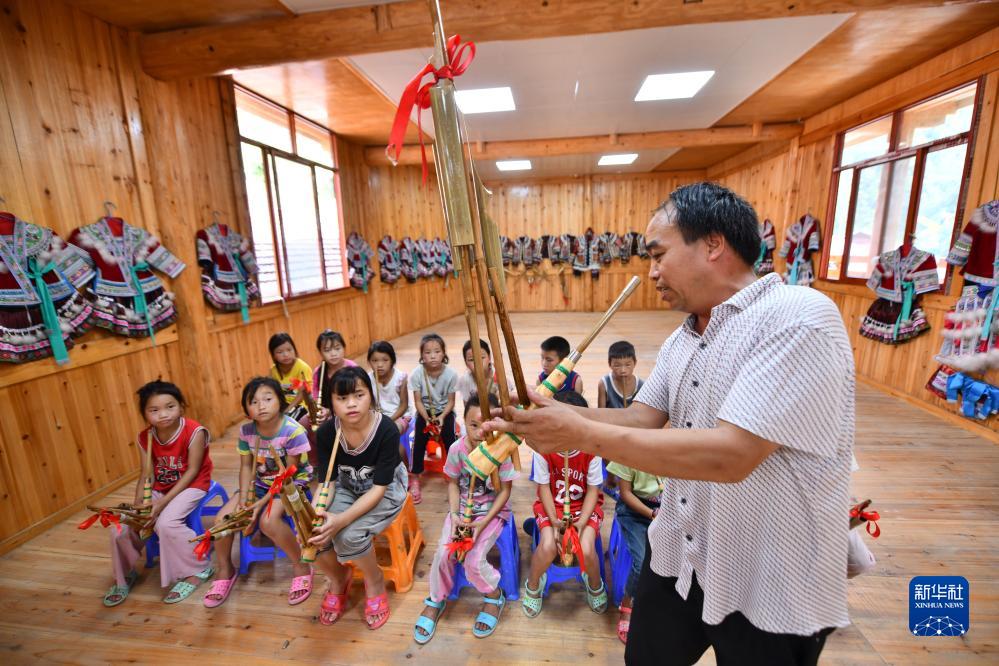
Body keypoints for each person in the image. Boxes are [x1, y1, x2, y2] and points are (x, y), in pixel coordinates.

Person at [481, 182, 854, 666]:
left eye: (659, 255)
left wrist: (577, 432)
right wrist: (553, 413)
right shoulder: (686, 336)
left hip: (767, 578)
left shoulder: (797, 318)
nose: (652, 272)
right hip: (681, 553)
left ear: (713, 243)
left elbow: (733, 454)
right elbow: (642, 417)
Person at [203, 377, 315, 608]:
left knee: (267, 522)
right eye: (253, 401)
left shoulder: (293, 431)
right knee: (222, 520)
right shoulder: (247, 431)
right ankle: (225, 570)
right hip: (260, 483)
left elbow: (287, 474)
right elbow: (246, 467)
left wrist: (259, 505)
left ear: (280, 401)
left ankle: (301, 565)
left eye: (267, 399)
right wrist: (245, 499)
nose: (261, 405)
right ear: (246, 409)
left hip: (290, 483)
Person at [310, 367, 407, 630]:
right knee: (311, 533)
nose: (351, 404)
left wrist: (340, 520)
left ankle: (374, 580)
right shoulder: (327, 432)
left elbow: (379, 489)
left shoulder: (386, 430)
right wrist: (314, 514)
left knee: (348, 535)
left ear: (371, 396)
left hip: (385, 489)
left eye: (359, 395)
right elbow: (327, 483)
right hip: (347, 487)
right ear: (331, 403)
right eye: (342, 398)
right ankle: (338, 577)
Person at [414, 393, 516, 644]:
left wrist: (483, 523)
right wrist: (455, 515)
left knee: (473, 560)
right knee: (443, 554)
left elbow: (505, 491)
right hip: (461, 511)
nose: (480, 431)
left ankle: (494, 595)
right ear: (464, 422)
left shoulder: (502, 451)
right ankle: (436, 599)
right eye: (473, 424)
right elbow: (452, 483)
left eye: (487, 425)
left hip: (491, 513)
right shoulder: (457, 449)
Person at [103, 380, 214, 606]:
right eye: (154, 410)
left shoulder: (195, 431)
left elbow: (192, 471)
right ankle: (125, 574)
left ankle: (198, 568)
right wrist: (138, 506)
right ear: (145, 414)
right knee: (120, 528)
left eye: (170, 407)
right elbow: (146, 474)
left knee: (166, 523)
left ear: (181, 406)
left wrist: (162, 503)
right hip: (160, 487)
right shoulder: (145, 437)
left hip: (192, 484)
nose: (163, 414)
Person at [522, 391, 607, 618]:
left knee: (586, 549)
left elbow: (593, 491)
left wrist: (580, 523)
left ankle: (594, 583)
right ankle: (533, 584)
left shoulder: (591, 450)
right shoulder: (543, 449)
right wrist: (554, 521)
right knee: (548, 547)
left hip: (584, 508)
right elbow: (543, 488)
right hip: (552, 507)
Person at [606, 460, 664, 643]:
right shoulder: (630, 453)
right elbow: (625, 493)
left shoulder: (672, 450)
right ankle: (627, 606)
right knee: (641, 562)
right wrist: (653, 515)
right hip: (633, 511)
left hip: (664, 508)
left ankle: (658, 601)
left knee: (675, 556)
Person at [408, 333, 458, 503]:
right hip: (425, 412)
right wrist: (427, 418)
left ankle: (454, 474)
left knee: (450, 439)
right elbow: (417, 401)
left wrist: (442, 417)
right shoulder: (417, 374)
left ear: (444, 353)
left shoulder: (451, 374)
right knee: (419, 439)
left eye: (437, 351)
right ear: (422, 356)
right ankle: (415, 476)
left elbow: (451, 402)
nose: (433, 356)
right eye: (428, 352)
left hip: (445, 412)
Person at [313, 329, 358, 424]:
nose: (333, 354)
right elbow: (316, 395)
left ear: (344, 348)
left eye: (337, 348)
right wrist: (321, 409)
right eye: (327, 350)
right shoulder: (318, 372)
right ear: (320, 353)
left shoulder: (353, 368)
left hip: (350, 410)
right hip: (326, 413)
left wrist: (331, 411)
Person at [267, 332, 312, 423]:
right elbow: (272, 392)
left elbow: (302, 394)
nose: (286, 354)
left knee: (287, 421)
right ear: (273, 355)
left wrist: (288, 410)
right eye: (280, 352)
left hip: (301, 405)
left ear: (294, 350)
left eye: (289, 350)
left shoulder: (302, 367)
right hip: (283, 404)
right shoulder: (273, 370)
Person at [597, 341, 644, 409]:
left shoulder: (641, 386)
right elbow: (601, 412)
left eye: (628, 365)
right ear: (609, 364)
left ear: (635, 363)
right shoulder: (604, 384)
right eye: (617, 365)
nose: (623, 370)